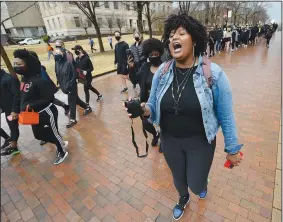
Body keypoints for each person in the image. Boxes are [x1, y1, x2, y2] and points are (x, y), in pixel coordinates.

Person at [126, 13, 243, 220]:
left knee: (196, 184)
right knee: (179, 179)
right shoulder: (162, 71)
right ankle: (182, 198)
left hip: (201, 141)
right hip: (170, 140)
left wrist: (232, 149)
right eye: (171, 35)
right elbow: (152, 105)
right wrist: (142, 109)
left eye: (181, 33)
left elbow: (226, 116)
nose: (174, 38)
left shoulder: (213, 74)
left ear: (195, 40)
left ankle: (201, 184)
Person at [13, 49, 69, 164]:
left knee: (53, 133)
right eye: (14, 64)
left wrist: (30, 105)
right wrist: (17, 109)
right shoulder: (24, 79)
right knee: (39, 135)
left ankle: (62, 151)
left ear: (28, 65)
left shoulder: (38, 81)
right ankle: (59, 142)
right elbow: (21, 96)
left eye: (19, 64)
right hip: (34, 114)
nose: (16, 67)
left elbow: (48, 99)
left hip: (47, 113)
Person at [29, 51, 70, 145]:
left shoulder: (39, 69)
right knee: (51, 102)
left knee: (50, 111)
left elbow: (45, 81)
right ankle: (65, 106)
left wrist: (47, 92)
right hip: (39, 100)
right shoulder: (29, 72)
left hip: (44, 98)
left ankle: (58, 142)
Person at [131, 38, 164, 152]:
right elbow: (135, 80)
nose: (154, 56)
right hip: (147, 101)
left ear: (160, 53)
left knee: (163, 124)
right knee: (145, 123)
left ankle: (163, 141)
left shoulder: (165, 67)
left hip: (163, 102)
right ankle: (155, 134)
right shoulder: (145, 67)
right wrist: (131, 69)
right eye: (151, 54)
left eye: (156, 53)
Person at [54, 48, 92, 128]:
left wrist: (69, 85)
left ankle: (72, 119)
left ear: (63, 54)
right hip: (64, 86)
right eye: (55, 52)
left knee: (71, 102)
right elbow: (58, 74)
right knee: (76, 99)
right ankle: (87, 107)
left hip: (71, 86)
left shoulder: (69, 63)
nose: (56, 54)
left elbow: (73, 75)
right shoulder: (57, 63)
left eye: (58, 52)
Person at [0, 69, 20, 156]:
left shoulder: (8, 79)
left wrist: (15, 110)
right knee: (12, 125)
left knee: (13, 126)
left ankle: (13, 147)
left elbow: (17, 95)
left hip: (12, 110)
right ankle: (13, 146)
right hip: (7, 109)